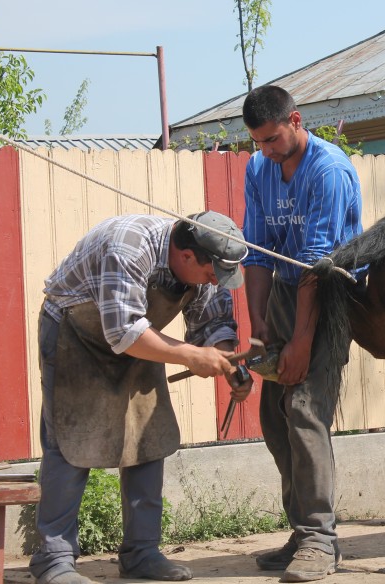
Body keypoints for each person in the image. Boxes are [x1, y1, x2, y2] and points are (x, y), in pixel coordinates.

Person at [29, 211, 253, 584]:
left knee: (149, 440)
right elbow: (124, 332)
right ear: (185, 257)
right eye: (212, 273)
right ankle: (53, 560)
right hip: (78, 337)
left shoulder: (205, 256)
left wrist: (228, 362)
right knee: (70, 445)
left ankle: (141, 552)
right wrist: (192, 355)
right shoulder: (128, 247)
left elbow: (212, 322)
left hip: (138, 339)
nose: (216, 280)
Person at [241, 84, 362, 582]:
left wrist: (301, 342)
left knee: (304, 409)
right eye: (258, 142)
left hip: (331, 295)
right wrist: (260, 327)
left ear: (295, 120)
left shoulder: (329, 171)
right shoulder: (258, 169)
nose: (266, 151)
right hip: (283, 296)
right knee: (274, 416)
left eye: (272, 139)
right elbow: (255, 250)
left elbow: (316, 264)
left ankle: (320, 540)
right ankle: (301, 531)